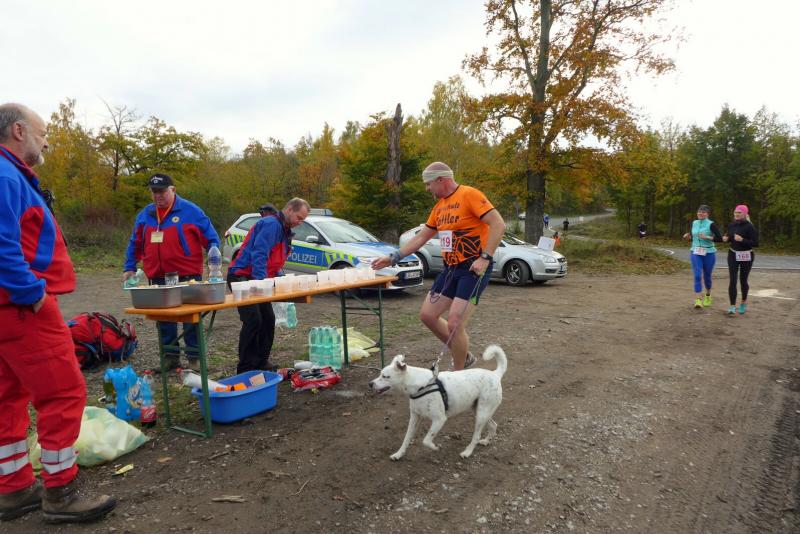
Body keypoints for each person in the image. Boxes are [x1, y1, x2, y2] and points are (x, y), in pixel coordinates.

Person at [0, 103, 116, 523]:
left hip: (8, 309)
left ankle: (14, 489)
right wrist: (31, 292)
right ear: (18, 131)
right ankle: (61, 492)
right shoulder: (6, 175)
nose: (46, 141)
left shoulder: (11, 175)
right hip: (20, 307)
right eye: (42, 132)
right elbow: (3, 244)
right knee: (64, 393)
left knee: (8, 396)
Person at [372, 162, 506, 371]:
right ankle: (464, 354)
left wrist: (485, 258)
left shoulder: (469, 195)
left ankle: (458, 374)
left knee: (454, 323)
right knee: (427, 315)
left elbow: (498, 224)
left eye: (428, 184)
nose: (427, 189)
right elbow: (422, 237)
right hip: (451, 269)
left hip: (473, 269)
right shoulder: (439, 207)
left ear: (441, 180)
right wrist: (394, 257)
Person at [123, 173, 220, 372]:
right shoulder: (146, 214)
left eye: (162, 191)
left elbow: (211, 237)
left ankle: (195, 359)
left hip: (188, 276)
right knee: (164, 320)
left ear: (173, 190)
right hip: (158, 276)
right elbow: (135, 242)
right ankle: (170, 357)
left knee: (191, 320)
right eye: (154, 192)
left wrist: (213, 255)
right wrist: (129, 266)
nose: (158, 196)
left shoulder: (191, 211)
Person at [228, 198, 310, 373]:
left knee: (268, 320)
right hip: (242, 276)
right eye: (299, 218)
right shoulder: (271, 225)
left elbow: (274, 261)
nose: (300, 222)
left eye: (303, 220)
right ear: (289, 209)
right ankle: (245, 368)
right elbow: (259, 254)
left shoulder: (284, 230)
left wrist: (280, 278)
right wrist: (261, 282)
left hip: (259, 278)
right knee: (253, 320)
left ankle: (260, 362)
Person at [682, 205, 723, 309]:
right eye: (699, 211)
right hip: (695, 251)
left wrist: (707, 237)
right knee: (697, 275)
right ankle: (698, 300)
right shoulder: (694, 223)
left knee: (707, 277)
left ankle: (708, 295)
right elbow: (694, 238)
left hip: (709, 253)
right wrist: (688, 237)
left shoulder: (711, 224)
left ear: (707, 214)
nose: (701, 213)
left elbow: (720, 239)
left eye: (703, 212)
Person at [722, 204, 758, 316]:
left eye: (739, 212)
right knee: (733, 280)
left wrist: (742, 240)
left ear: (745, 214)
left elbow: (755, 243)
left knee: (743, 280)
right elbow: (729, 237)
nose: (737, 214)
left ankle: (743, 302)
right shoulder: (732, 225)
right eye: (735, 212)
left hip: (746, 255)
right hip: (733, 254)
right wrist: (726, 238)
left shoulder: (750, 226)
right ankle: (732, 306)